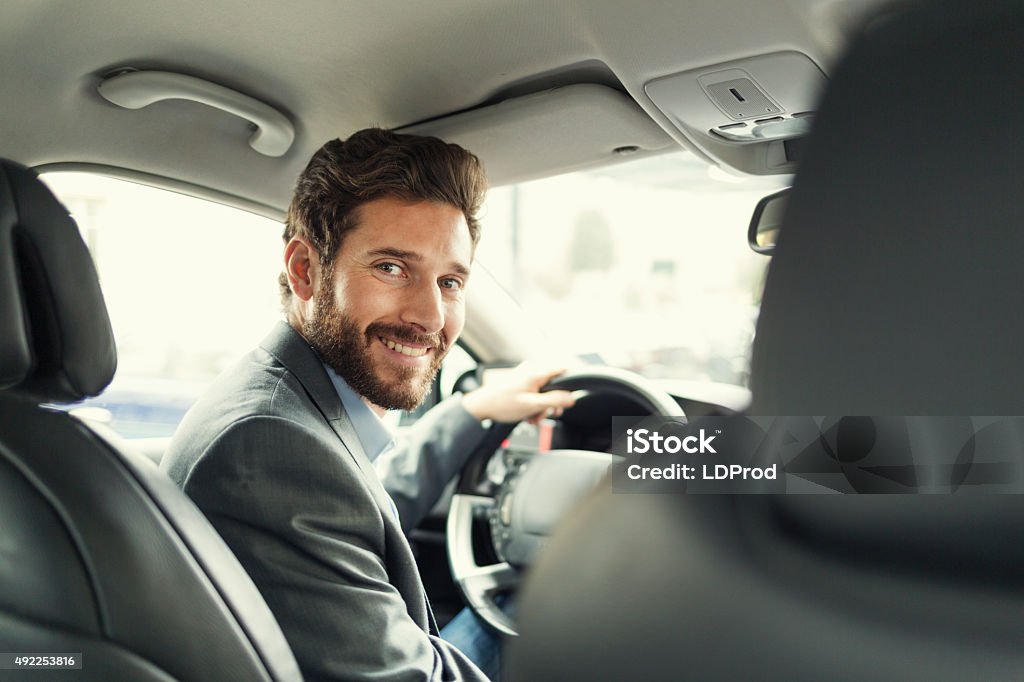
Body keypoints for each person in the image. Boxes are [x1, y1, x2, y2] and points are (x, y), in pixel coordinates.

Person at [161, 128, 575, 681]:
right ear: (306, 270)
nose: (430, 316)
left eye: (450, 281)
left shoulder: (288, 408)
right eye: (392, 268)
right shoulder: (265, 446)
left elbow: (361, 507)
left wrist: (472, 410)